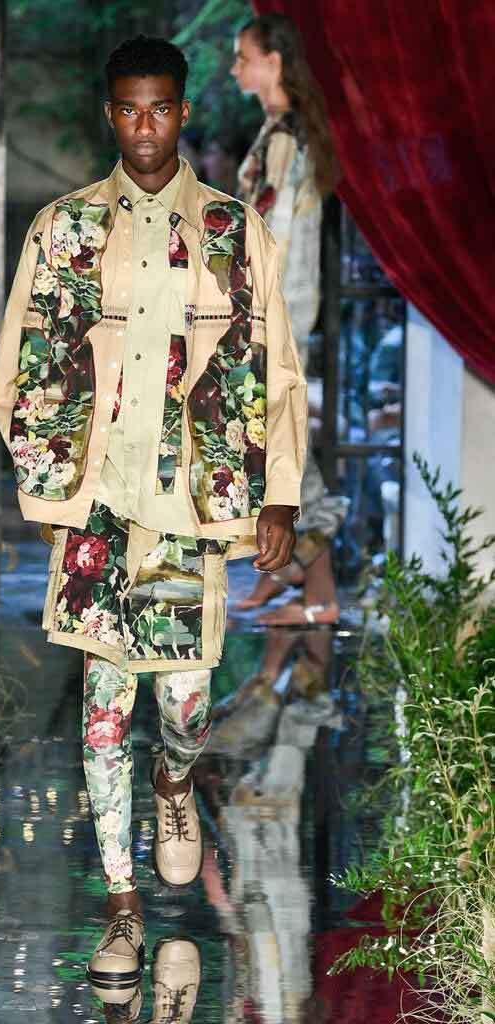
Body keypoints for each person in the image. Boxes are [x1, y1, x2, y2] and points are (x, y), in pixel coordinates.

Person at [0, 34, 307, 1006]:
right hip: (96, 504)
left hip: (181, 506)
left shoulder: (230, 231)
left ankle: (174, 782)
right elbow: (21, 365)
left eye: (159, 108)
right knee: (102, 706)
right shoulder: (65, 230)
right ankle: (121, 904)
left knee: (180, 704)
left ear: (181, 111)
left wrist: (279, 491)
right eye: (127, 109)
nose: (143, 127)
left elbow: (273, 364)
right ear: (109, 114)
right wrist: (47, 479)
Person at [231, 13, 349, 626]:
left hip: (276, 308)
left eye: (243, 57)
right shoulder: (284, 130)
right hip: (279, 305)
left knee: (280, 442)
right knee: (276, 439)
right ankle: (292, 575)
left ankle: (308, 581)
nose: (235, 68)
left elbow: (271, 231)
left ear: (273, 62)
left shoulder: (286, 136)